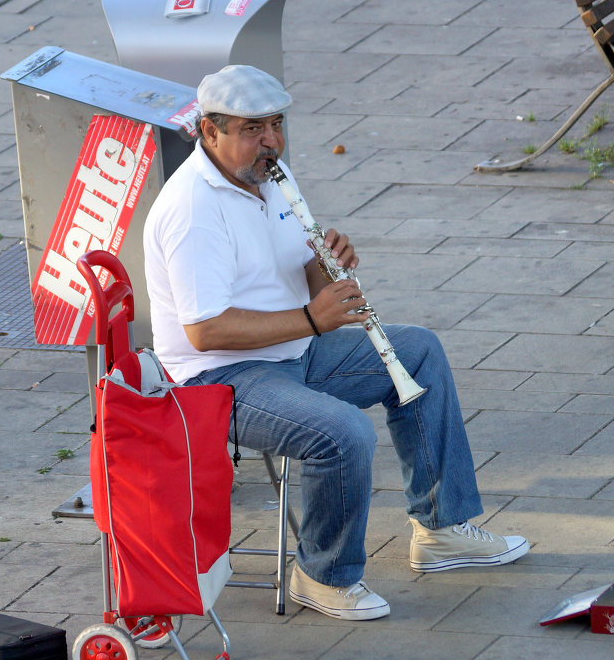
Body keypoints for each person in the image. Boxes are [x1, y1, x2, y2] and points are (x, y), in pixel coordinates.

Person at [143, 64, 529, 621]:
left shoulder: (270, 175)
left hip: (290, 353)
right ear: (210, 131)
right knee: (342, 432)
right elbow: (205, 333)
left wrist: (327, 270)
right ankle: (322, 575)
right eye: (252, 129)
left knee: (418, 350)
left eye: (276, 125)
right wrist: (312, 318)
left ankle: (442, 529)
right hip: (217, 380)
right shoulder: (192, 212)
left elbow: (299, 281)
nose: (271, 141)